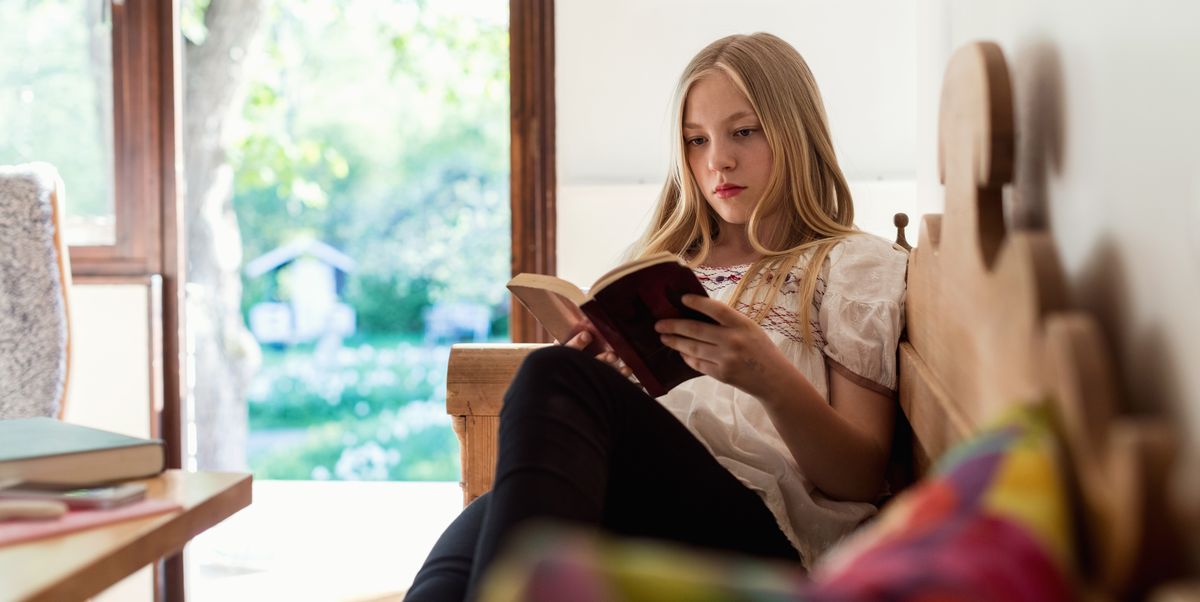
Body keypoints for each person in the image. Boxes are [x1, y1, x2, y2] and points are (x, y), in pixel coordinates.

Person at [406, 32, 908, 601]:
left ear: (796, 131)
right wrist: (611, 377)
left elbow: (861, 477)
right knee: (458, 566)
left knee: (550, 382)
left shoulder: (849, 266)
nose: (718, 159)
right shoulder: (658, 265)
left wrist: (766, 374)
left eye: (743, 131)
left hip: (766, 528)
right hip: (642, 497)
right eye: (696, 141)